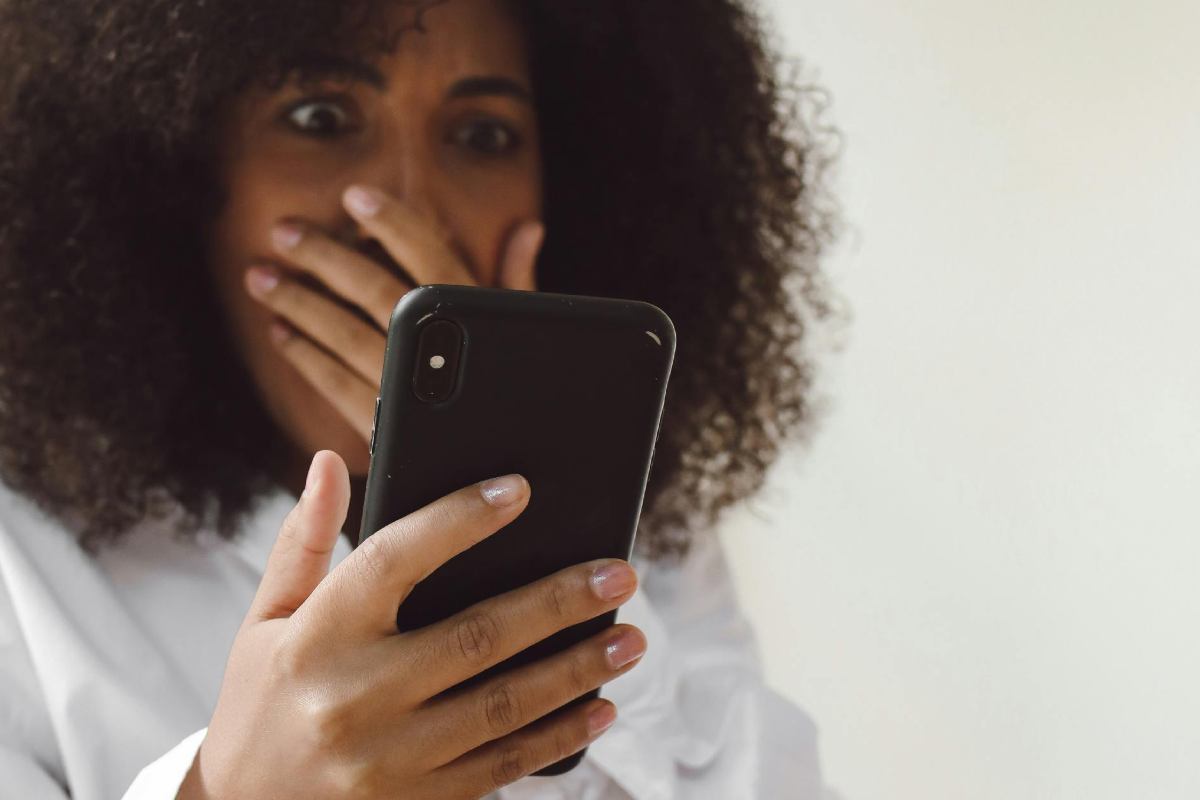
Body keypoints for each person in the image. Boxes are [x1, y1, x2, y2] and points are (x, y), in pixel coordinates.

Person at [0, 0, 844, 797]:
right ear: (178, 172)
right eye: (320, 120)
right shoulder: (22, 559)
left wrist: (538, 537)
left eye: (483, 135)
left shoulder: (643, 532)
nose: (404, 205)